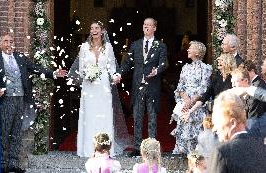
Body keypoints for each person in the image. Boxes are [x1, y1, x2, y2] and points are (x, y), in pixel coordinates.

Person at [0, 34, 67, 173]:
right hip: (5, 100)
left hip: (21, 99)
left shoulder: (20, 57)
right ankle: (1, 164)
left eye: (11, 42)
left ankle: (13, 163)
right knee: (4, 132)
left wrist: (53, 73)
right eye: (5, 41)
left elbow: (35, 68)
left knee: (17, 131)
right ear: (0, 43)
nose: (8, 44)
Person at [114, 18, 167, 157]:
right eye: (144, 25)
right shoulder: (136, 45)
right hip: (138, 86)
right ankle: (137, 148)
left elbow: (164, 63)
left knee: (152, 118)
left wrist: (157, 71)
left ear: (155, 28)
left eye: (149, 25)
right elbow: (127, 63)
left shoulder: (160, 45)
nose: (146, 27)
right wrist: (119, 73)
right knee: (137, 118)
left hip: (153, 86)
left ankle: (152, 149)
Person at [75, 21, 129, 157]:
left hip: (104, 85)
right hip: (89, 85)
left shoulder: (108, 47)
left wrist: (115, 76)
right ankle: (88, 149)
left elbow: (111, 67)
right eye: (92, 28)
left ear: (102, 31)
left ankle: (106, 148)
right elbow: (81, 69)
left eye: (97, 28)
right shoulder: (84, 47)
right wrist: (87, 74)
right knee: (90, 115)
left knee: (104, 114)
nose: (94, 30)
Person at [170, 41, 212, 155]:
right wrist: (186, 100)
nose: (188, 50)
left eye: (191, 48)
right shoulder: (185, 67)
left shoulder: (206, 68)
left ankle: (196, 160)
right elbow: (180, 87)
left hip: (197, 106)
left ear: (198, 52)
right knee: (182, 132)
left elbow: (204, 89)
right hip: (185, 104)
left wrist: (191, 102)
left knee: (196, 134)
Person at [209, 89, 266, 173]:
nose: (214, 129)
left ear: (233, 123)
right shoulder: (262, 149)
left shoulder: (222, 153)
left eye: (217, 123)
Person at [231, 65, 266, 138]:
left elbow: (252, 122)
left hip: (254, 135)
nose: (233, 85)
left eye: (236, 81)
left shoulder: (254, 97)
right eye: (232, 82)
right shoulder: (235, 97)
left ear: (246, 81)